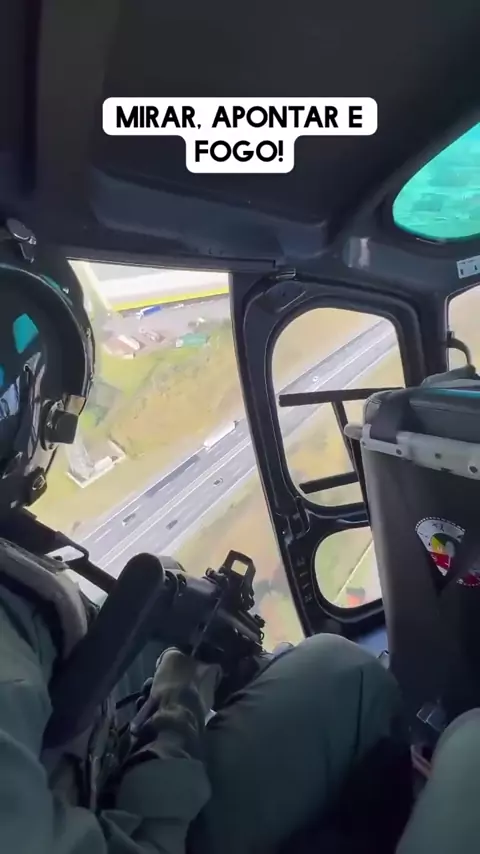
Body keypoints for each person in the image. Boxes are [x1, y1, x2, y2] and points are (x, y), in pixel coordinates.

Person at [0, 259, 479, 854]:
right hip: (131, 822)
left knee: (340, 669)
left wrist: (169, 674)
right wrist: (174, 708)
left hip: (110, 788)